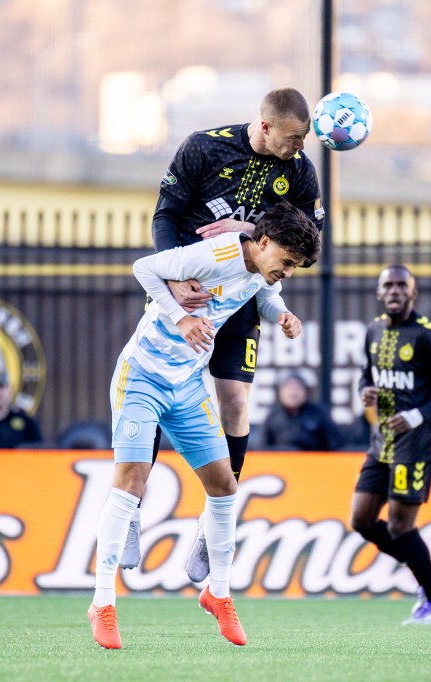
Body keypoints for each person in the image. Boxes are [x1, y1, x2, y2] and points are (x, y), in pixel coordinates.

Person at [87, 200, 321, 650]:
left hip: (188, 386)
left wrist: (283, 316)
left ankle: (218, 593)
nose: (288, 271)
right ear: (264, 242)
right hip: (143, 377)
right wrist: (183, 314)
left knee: (225, 487)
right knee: (130, 483)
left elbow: (266, 297)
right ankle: (103, 602)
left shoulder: (261, 270)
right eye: (287, 263)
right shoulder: (212, 255)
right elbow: (143, 267)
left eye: (295, 267)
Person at [122, 87, 325, 580]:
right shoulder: (204, 146)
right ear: (266, 126)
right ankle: (130, 508)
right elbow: (165, 214)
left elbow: (307, 238)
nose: (299, 148)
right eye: (294, 138)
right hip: (187, 288)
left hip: (241, 295)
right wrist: (174, 280)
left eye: (305, 140)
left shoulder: (300, 173)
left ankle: (214, 528)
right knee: (151, 392)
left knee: (234, 402)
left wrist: (246, 226)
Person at [351, 264, 431, 626]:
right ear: (379, 292)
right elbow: (367, 373)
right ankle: (430, 567)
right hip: (381, 440)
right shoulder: (373, 330)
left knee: (401, 527)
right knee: (361, 520)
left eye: (402, 285)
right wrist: (364, 391)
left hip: (416, 443)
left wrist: (418, 415)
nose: (395, 291)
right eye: (389, 285)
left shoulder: (426, 335)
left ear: (413, 293)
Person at [258, 372, 343, 451]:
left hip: (314, 464)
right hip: (279, 464)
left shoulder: (319, 414)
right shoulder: (273, 416)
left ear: (306, 392)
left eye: (297, 388)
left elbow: (335, 446)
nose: (293, 393)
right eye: (289, 388)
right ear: (280, 393)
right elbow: (262, 447)